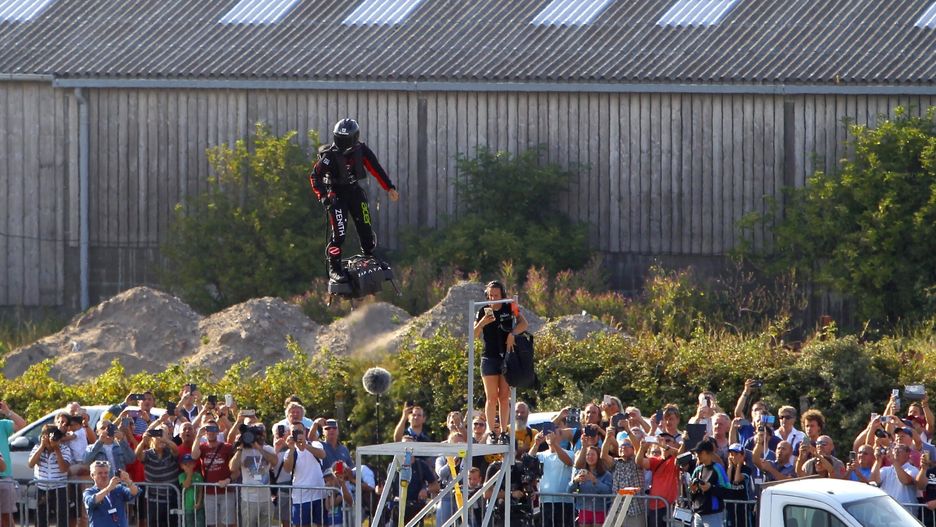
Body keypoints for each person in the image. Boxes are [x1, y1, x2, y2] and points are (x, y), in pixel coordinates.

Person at [309, 118, 400, 282]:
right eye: (339, 138)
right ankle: (334, 268)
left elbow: (375, 168)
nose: (342, 143)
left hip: (355, 192)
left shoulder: (361, 150)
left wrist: (389, 187)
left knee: (365, 226)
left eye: (345, 139)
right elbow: (315, 176)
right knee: (339, 234)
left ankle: (370, 257)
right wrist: (323, 196)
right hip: (336, 196)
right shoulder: (329, 156)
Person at [473, 280, 529, 444]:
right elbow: (474, 334)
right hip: (489, 357)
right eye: (490, 295)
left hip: (506, 357)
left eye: (496, 295)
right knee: (491, 397)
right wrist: (483, 322)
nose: (493, 298)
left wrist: (512, 333)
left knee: (504, 397)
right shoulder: (483, 309)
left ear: (502, 295)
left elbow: (524, 323)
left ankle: (504, 431)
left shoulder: (510, 306)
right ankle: (491, 431)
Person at [229, 420, 277, 527]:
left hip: (266, 498)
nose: (260, 436)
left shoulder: (268, 449)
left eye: (262, 433)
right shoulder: (243, 451)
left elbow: (275, 461)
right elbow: (232, 467)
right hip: (248, 499)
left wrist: (259, 448)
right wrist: (240, 447)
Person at [191, 420, 236, 527]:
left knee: (228, 524)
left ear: (218, 431)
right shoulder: (202, 447)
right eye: (208, 429)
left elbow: (236, 471)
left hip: (226, 491)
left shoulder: (227, 447)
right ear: (205, 431)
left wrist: (228, 480)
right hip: (209, 492)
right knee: (211, 524)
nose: (211, 432)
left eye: (214, 429)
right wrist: (198, 436)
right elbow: (194, 456)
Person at [135, 421, 180, 527]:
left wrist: (165, 440)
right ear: (152, 438)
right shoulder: (149, 454)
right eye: (157, 435)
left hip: (171, 498)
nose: (160, 438)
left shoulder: (170, 451)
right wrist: (143, 442)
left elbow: (176, 450)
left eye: (162, 434)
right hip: (153, 500)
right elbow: (138, 454)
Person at [283, 423, 328, 527]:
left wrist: (305, 445)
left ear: (305, 432)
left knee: (322, 524)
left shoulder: (315, 444)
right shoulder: (290, 451)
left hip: (319, 495)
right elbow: (287, 469)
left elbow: (322, 455)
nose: (298, 434)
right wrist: (291, 449)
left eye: (300, 431)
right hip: (300, 497)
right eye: (295, 432)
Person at [30, 424, 73, 527]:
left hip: (59, 489)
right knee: (41, 520)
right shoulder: (37, 448)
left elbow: (64, 469)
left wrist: (56, 449)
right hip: (42, 489)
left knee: (62, 520)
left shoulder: (64, 449)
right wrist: (42, 446)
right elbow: (31, 464)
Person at [530, 428, 575, 527]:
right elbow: (527, 462)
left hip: (564, 502)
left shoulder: (570, 453)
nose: (550, 435)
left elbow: (568, 462)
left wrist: (554, 444)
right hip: (545, 502)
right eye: (548, 433)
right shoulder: (541, 455)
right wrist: (536, 444)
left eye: (554, 433)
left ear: (560, 436)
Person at [600, 430, 646, 527]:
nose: (623, 447)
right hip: (617, 508)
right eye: (621, 445)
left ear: (633, 449)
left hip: (635, 510)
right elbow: (603, 456)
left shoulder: (637, 461)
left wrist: (628, 430)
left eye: (627, 445)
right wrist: (608, 437)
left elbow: (638, 449)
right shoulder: (616, 462)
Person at [688, 438, 731, 527]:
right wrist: (693, 490)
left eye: (700, 452)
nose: (697, 455)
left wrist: (710, 487)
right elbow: (691, 494)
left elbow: (727, 490)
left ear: (708, 453)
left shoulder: (717, 468)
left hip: (713, 515)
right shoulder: (697, 470)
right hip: (698, 514)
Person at [84, 461, 140, 527]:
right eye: (100, 473)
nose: (103, 475)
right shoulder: (89, 492)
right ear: (92, 475)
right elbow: (92, 501)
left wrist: (127, 480)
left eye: (106, 473)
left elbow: (135, 492)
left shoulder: (118, 488)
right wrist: (108, 488)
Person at [568, 446, 612, 527]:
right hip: (584, 509)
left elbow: (608, 491)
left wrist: (595, 481)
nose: (590, 457)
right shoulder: (579, 472)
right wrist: (575, 481)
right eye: (587, 454)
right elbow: (571, 491)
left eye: (593, 454)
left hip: (600, 510)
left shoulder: (606, 474)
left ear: (598, 457)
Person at [0, 400, 26, 527]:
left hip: (5, 477)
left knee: (7, 516)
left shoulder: (2, 425)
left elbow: (22, 425)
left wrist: (7, 412)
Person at [179, 454, 204, 527]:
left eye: (190, 463)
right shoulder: (181, 476)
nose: (188, 466)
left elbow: (200, 490)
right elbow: (186, 485)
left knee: (200, 524)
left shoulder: (198, 475)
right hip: (187, 507)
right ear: (181, 466)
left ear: (194, 464)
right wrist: (190, 473)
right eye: (186, 464)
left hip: (199, 506)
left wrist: (199, 502)